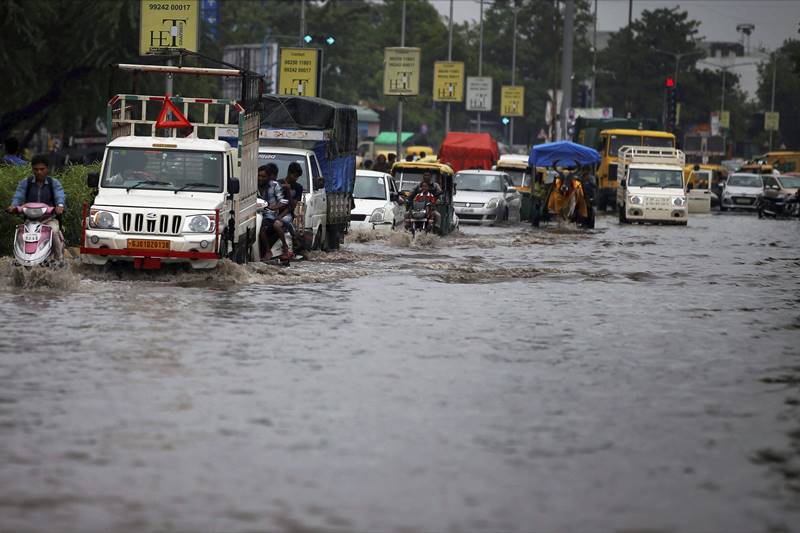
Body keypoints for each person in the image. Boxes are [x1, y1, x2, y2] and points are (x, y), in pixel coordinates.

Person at [7, 155, 65, 259]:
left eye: (42, 169)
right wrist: (13, 206)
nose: (39, 172)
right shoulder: (26, 182)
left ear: (47, 169)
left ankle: (59, 259)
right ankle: (19, 259)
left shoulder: (54, 183)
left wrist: (59, 206)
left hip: (48, 220)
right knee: (20, 234)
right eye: (36, 169)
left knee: (54, 231)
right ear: (32, 169)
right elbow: (18, 195)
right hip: (30, 220)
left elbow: (59, 195)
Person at [257, 164, 290, 259]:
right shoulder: (253, 185)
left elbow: (284, 201)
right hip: (255, 214)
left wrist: (275, 207)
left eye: (263, 176)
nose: (260, 178)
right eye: (259, 176)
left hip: (269, 215)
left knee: (261, 228)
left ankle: (269, 251)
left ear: (268, 177)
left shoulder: (275, 185)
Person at [278, 162, 304, 256]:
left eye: (297, 177)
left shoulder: (298, 188)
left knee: (286, 221)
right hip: (275, 211)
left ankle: (294, 237)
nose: (295, 178)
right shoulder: (278, 183)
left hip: (288, 213)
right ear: (289, 173)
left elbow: (292, 205)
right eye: (294, 175)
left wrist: (288, 191)